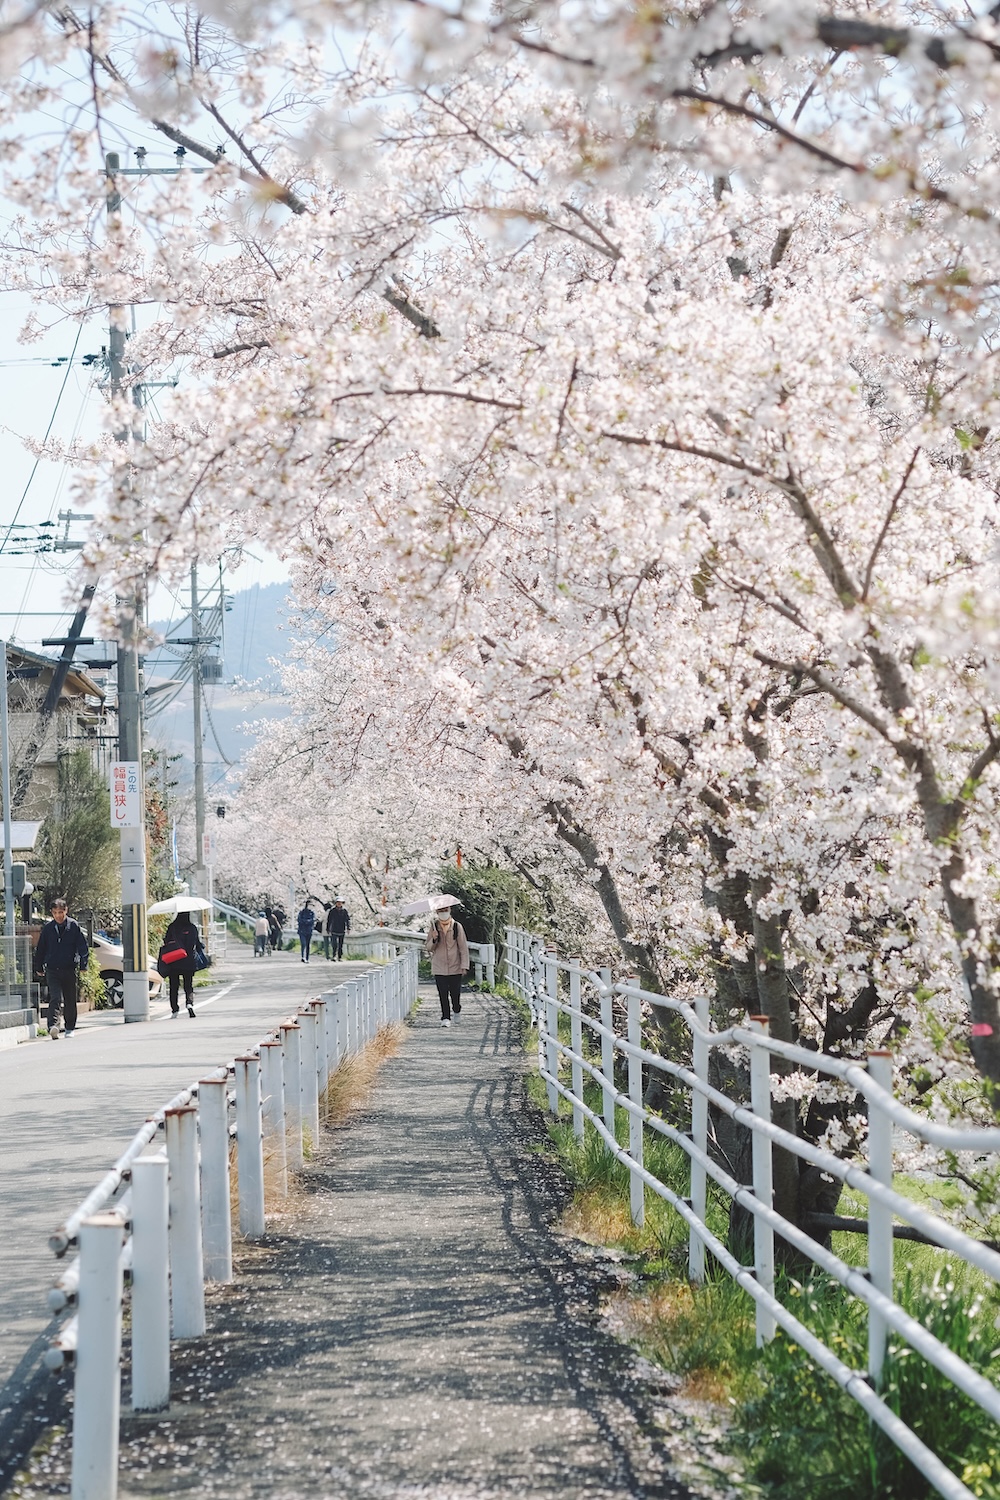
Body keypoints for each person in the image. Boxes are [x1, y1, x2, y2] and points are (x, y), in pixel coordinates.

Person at [34, 897, 89, 1039]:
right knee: (55, 997)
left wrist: (84, 964)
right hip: (52, 969)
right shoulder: (48, 929)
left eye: (61, 912)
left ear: (66, 911)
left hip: (69, 968)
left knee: (70, 998)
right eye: (55, 912)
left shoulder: (73, 926)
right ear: (52, 913)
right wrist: (39, 966)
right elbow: (41, 948)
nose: (58, 915)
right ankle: (53, 1026)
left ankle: (70, 1027)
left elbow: (82, 946)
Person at [426, 908, 469, 1027]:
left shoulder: (456, 926)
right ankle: (445, 1017)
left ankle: (456, 1009)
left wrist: (464, 965)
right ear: (437, 913)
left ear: (450, 911)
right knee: (442, 993)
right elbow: (428, 947)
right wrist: (434, 938)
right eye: (441, 911)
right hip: (439, 966)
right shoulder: (434, 926)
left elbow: (463, 947)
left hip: (455, 966)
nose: (443, 913)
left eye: (445, 910)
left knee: (455, 993)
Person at [162, 913, 206, 1018]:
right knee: (188, 985)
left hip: (174, 960)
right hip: (189, 961)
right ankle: (189, 1003)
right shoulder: (192, 928)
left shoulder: (172, 927)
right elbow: (197, 943)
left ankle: (175, 1009)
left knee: (174, 986)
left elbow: (166, 941)